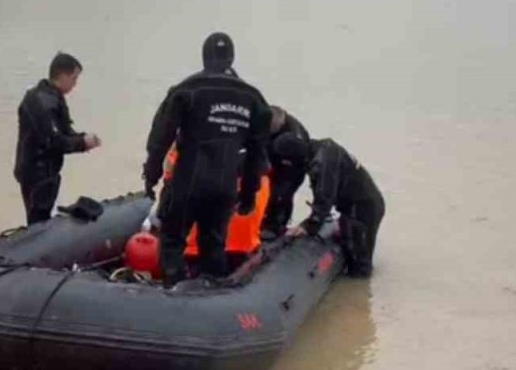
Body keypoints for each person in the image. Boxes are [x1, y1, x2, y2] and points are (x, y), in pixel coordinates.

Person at [142, 32, 271, 284]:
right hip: (224, 187)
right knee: (213, 245)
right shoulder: (253, 98)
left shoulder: (186, 90)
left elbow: (160, 137)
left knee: (172, 243)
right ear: (232, 58)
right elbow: (257, 154)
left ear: (204, 57)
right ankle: (211, 293)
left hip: (188, 182)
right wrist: (247, 195)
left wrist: (151, 175)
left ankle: (173, 294)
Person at [272, 134, 385, 278]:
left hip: (362, 209)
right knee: (351, 247)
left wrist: (308, 226)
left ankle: (358, 291)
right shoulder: (320, 148)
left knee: (359, 268)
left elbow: (325, 198)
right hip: (358, 204)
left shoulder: (323, 163)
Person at [14, 53, 101, 225]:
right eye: (74, 78)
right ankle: (35, 247)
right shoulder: (42, 101)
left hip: (45, 171)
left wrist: (83, 139)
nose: (75, 84)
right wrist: (82, 143)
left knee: (44, 215)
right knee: (38, 221)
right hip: (36, 173)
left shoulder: (52, 96)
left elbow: (65, 132)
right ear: (62, 75)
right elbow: (54, 141)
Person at [261, 105, 310, 240]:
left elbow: (299, 163)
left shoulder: (295, 135)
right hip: (272, 156)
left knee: (282, 194)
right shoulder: (261, 121)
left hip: (292, 165)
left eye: (272, 129)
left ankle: (276, 225)